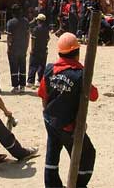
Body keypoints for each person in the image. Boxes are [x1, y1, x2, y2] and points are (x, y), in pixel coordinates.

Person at [38, 32, 98, 188]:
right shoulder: (80, 75)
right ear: (77, 53)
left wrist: (48, 115)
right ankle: (78, 184)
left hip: (50, 120)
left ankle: (52, 185)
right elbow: (94, 95)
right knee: (87, 154)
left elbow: (43, 95)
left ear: (59, 52)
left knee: (52, 151)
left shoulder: (49, 69)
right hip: (69, 127)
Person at [6, 4, 30, 93]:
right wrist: (27, 46)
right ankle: (22, 86)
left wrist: (8, 47)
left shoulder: (10, 22)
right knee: (22, 66)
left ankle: (15, 86)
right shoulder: (26, 21)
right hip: (23, 47)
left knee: (14, 67)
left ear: (13, 12)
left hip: (13, 48)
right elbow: (28, 35)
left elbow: (9, 37)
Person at [27, 14, 49, 88]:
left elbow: (33, 39)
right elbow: (48, 39)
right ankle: (39, 81)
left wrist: (32, 49)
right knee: (42, 65)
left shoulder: (35, 29)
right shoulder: (46, 29)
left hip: (36, 49)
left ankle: (30, 81)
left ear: (38, 20)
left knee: (33, 65)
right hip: (43, 49)